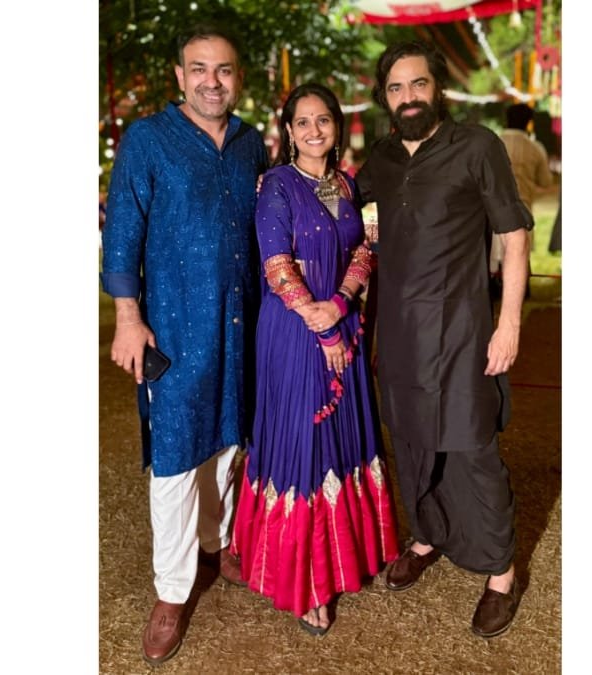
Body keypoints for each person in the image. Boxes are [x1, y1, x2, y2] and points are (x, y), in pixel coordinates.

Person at [100, 22, 266, 666]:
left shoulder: (253, 143)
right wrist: (126, 316)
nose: (212, 82)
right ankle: (172, 592)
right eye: (199, 69)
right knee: (173, 459)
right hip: (172, 323)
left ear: (237, 77)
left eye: (223, 70)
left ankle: (216, 545)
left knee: (227, 442)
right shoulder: (147, 139)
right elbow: (122, 233)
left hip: (238, 321)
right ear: (179, 76)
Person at [355, 41, 532, 639]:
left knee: (471, 448)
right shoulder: (378, 159)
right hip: (399, 334)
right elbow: (337, 207)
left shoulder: (477, 146)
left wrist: (508, 324)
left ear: (439, 89)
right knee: (408, 440)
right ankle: (427, 535)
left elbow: (514, 236)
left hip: (462, 331)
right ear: (385, 98)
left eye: (418, 84)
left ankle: (501, 571)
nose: (408, 97)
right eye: (397, 88)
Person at [230, 82, 400, 637]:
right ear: (288, 131)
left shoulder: (345, 184)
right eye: (301, 122)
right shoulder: (275, 186)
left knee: (342, 442)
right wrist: (320, 323)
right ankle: (306, 585)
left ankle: (344, 559)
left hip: (341, 320)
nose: (313, 131)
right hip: (294, 332)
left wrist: (342, 303)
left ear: (337, 126)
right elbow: (277, 265)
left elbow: (363, 249)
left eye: (322, 119)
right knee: (302, 447)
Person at [490, 103, 553, 292]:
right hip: (522, 210)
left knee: (494, 257)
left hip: (493, 209)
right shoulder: (535, 148)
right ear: (528, 123)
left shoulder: (492, 144)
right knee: (520, 257)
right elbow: (546, 181)